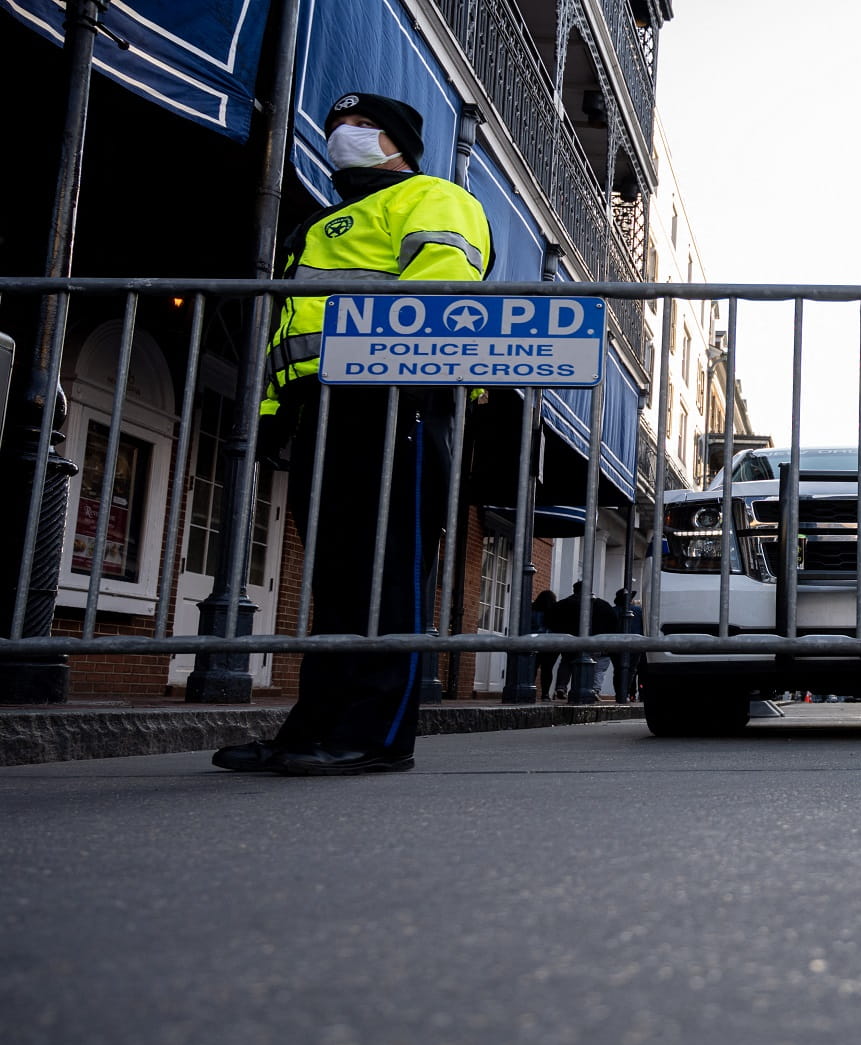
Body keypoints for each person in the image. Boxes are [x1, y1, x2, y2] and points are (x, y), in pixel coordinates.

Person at [212, 91, 492, 776]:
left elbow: (442, 297)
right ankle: (312, 729)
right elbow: (290, 333)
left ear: (399, 141)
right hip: (323, 407)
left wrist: (397, 377)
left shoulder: (433, 197)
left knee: (387, 576)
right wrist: (276, 414)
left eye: (364, 126)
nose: (347, 135)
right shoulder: (325, 221)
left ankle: (375, 736)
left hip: (396, 400)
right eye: (338, 124)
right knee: (337, 582)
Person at [546, 580, 620, 701]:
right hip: (594, 639)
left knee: (566, 662)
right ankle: (585, 688)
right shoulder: (601, 605)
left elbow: (551, 620)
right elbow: (612, 622)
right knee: (591, 664)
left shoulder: (563, 604)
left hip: (569, 638)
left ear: (574, 590)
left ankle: (561, 686)